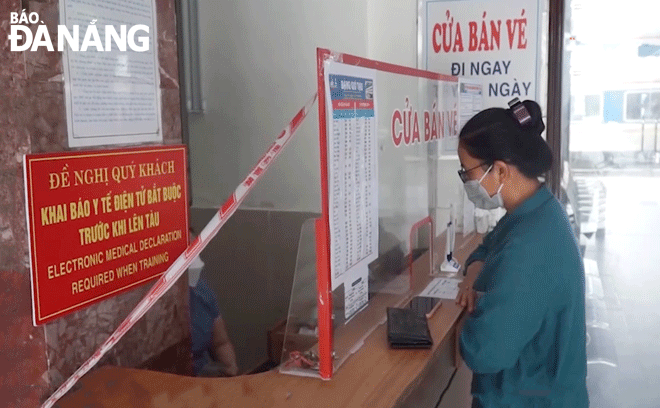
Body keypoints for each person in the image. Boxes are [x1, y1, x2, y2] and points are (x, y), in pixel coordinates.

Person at [453, 99, 588, 407]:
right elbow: (489, 245)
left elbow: (485, 352)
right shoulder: (534, 211)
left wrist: (469, 316)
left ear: (500, 170)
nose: (466, 181)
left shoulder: (531, 247)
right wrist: (474, 274)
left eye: (467, 172)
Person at [188, 230, 239, 377]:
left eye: (195, 251)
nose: (195, 260)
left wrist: (231, 370)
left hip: (204, 380)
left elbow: (221, 343)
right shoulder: (157, 305)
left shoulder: (202, 292)